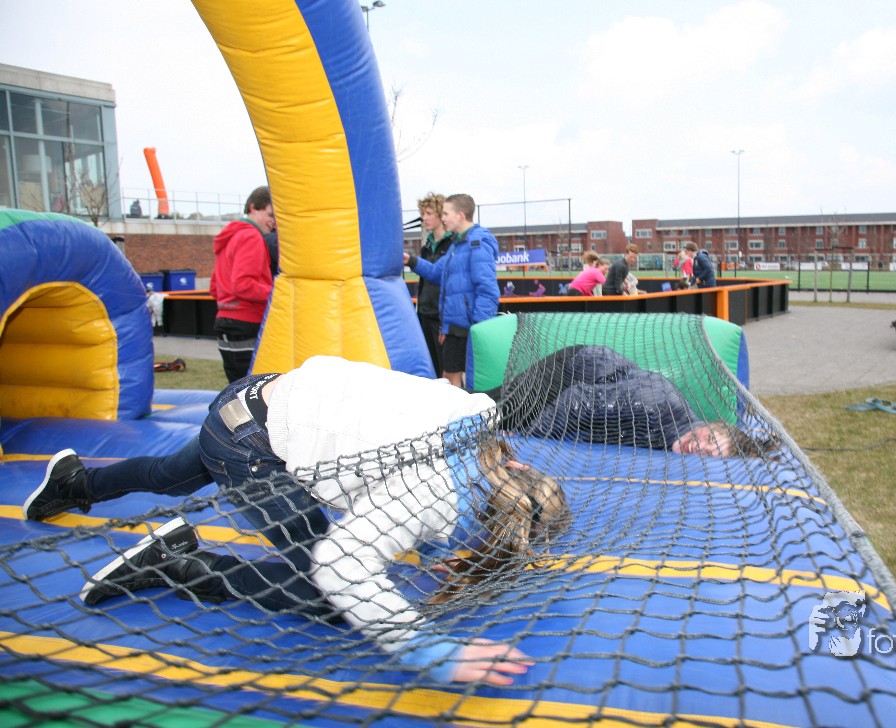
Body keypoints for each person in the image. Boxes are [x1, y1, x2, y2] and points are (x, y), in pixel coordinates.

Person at [26, 356, 570, 685]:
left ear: (519, 466)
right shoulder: (432, 495)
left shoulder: (477, 412)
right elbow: (340, 567)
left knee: (171, 476)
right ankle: (174, 562)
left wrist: (430, 543)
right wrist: (430, 651)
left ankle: (75, 482)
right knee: (326, 594)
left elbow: (428, 476)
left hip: (261, 394)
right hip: (251, 443)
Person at [486, 345, 777, 457]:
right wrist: (527, 439)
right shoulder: (656, 405)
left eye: (710, 454)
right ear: (708, 425)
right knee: (493, 414)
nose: (699, 447)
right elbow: (575, 401)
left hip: (594, 391)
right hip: (570, 374)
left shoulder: (675, 438)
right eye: (709, 438)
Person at [403, 194, 500, 388]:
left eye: (446, 214)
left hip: (469, 328)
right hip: (455, 327)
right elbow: (436, 272)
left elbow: (488, 290)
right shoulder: (457, 245)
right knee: (449, 377)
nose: (443, 218)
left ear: (461, 215)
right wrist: (410, 261)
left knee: (466, 381)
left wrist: (478, 328)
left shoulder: (477, 243)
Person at [209, 186, 276, 383]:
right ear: (253, 208)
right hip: (247, 323)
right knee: (254, 387)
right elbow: (243, 285)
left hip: (225, 323)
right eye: (270, 214)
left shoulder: (231, 236)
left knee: (236, 387)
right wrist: (278, 293)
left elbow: (215, 287)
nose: (273, 222)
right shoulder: (251, 237)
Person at [414, 192, 455, 378]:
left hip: (441, 318)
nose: (425, 218)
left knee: (446, 368)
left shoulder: (452, 244)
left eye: (429, 213)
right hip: (424, 314)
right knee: (430, 367)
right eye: (423, 214)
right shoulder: (426, 247)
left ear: (441, 215)